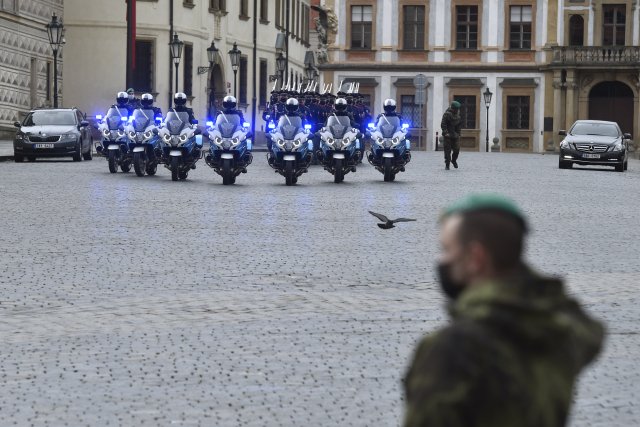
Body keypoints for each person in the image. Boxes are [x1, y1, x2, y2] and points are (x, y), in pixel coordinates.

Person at [403, 194, 605, 427]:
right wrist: (513, 262)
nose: (442, 259)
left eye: (447, 249)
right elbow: (572, 312)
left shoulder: (453, 348)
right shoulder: (560, 332)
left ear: (476, 258)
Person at [441, 100, 462, 170]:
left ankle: (454, 160)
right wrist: (446, 132)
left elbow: (458, 126)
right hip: (448, 135)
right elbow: (443, 124)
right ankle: (447, 164)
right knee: (447, 151)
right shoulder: (447, 114)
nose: (457, 110)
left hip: (455, 135)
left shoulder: (458, 116)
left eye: (458, 109)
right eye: (456, 109)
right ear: (453, 108)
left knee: (457, 150)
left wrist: (458, 134)